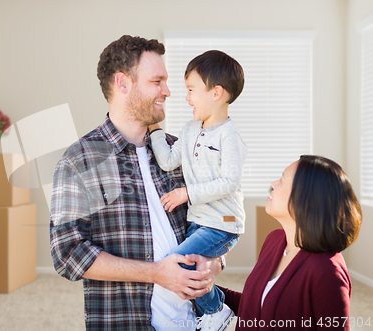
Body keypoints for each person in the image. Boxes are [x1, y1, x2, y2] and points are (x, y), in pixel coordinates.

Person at [50, 35, 224, 331]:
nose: (168, 91)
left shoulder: (181, 152)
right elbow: (67, 253)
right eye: (157, 81)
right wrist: (156, 273)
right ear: (122, 83)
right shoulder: (79, 160)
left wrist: (214, 262)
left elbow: (217, 218)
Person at [148, 50, 246, 330]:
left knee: (174, 264)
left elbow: (228, 182)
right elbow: (167, 160)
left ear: (216, 93)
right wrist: (154, 128)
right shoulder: (190, 129)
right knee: (192, 269)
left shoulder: (230, 136)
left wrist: (186, 194)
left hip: (223, 224)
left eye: (191, 90)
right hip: (198, 221)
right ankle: (213, 310)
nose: (187, 97)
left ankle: (216, 310)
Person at [217, 155, 362, 330]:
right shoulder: (274, 240)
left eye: (282, 179)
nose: (273, 184)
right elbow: (256, 307)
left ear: (306, 197)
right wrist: (206, 289)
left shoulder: (327, 272)